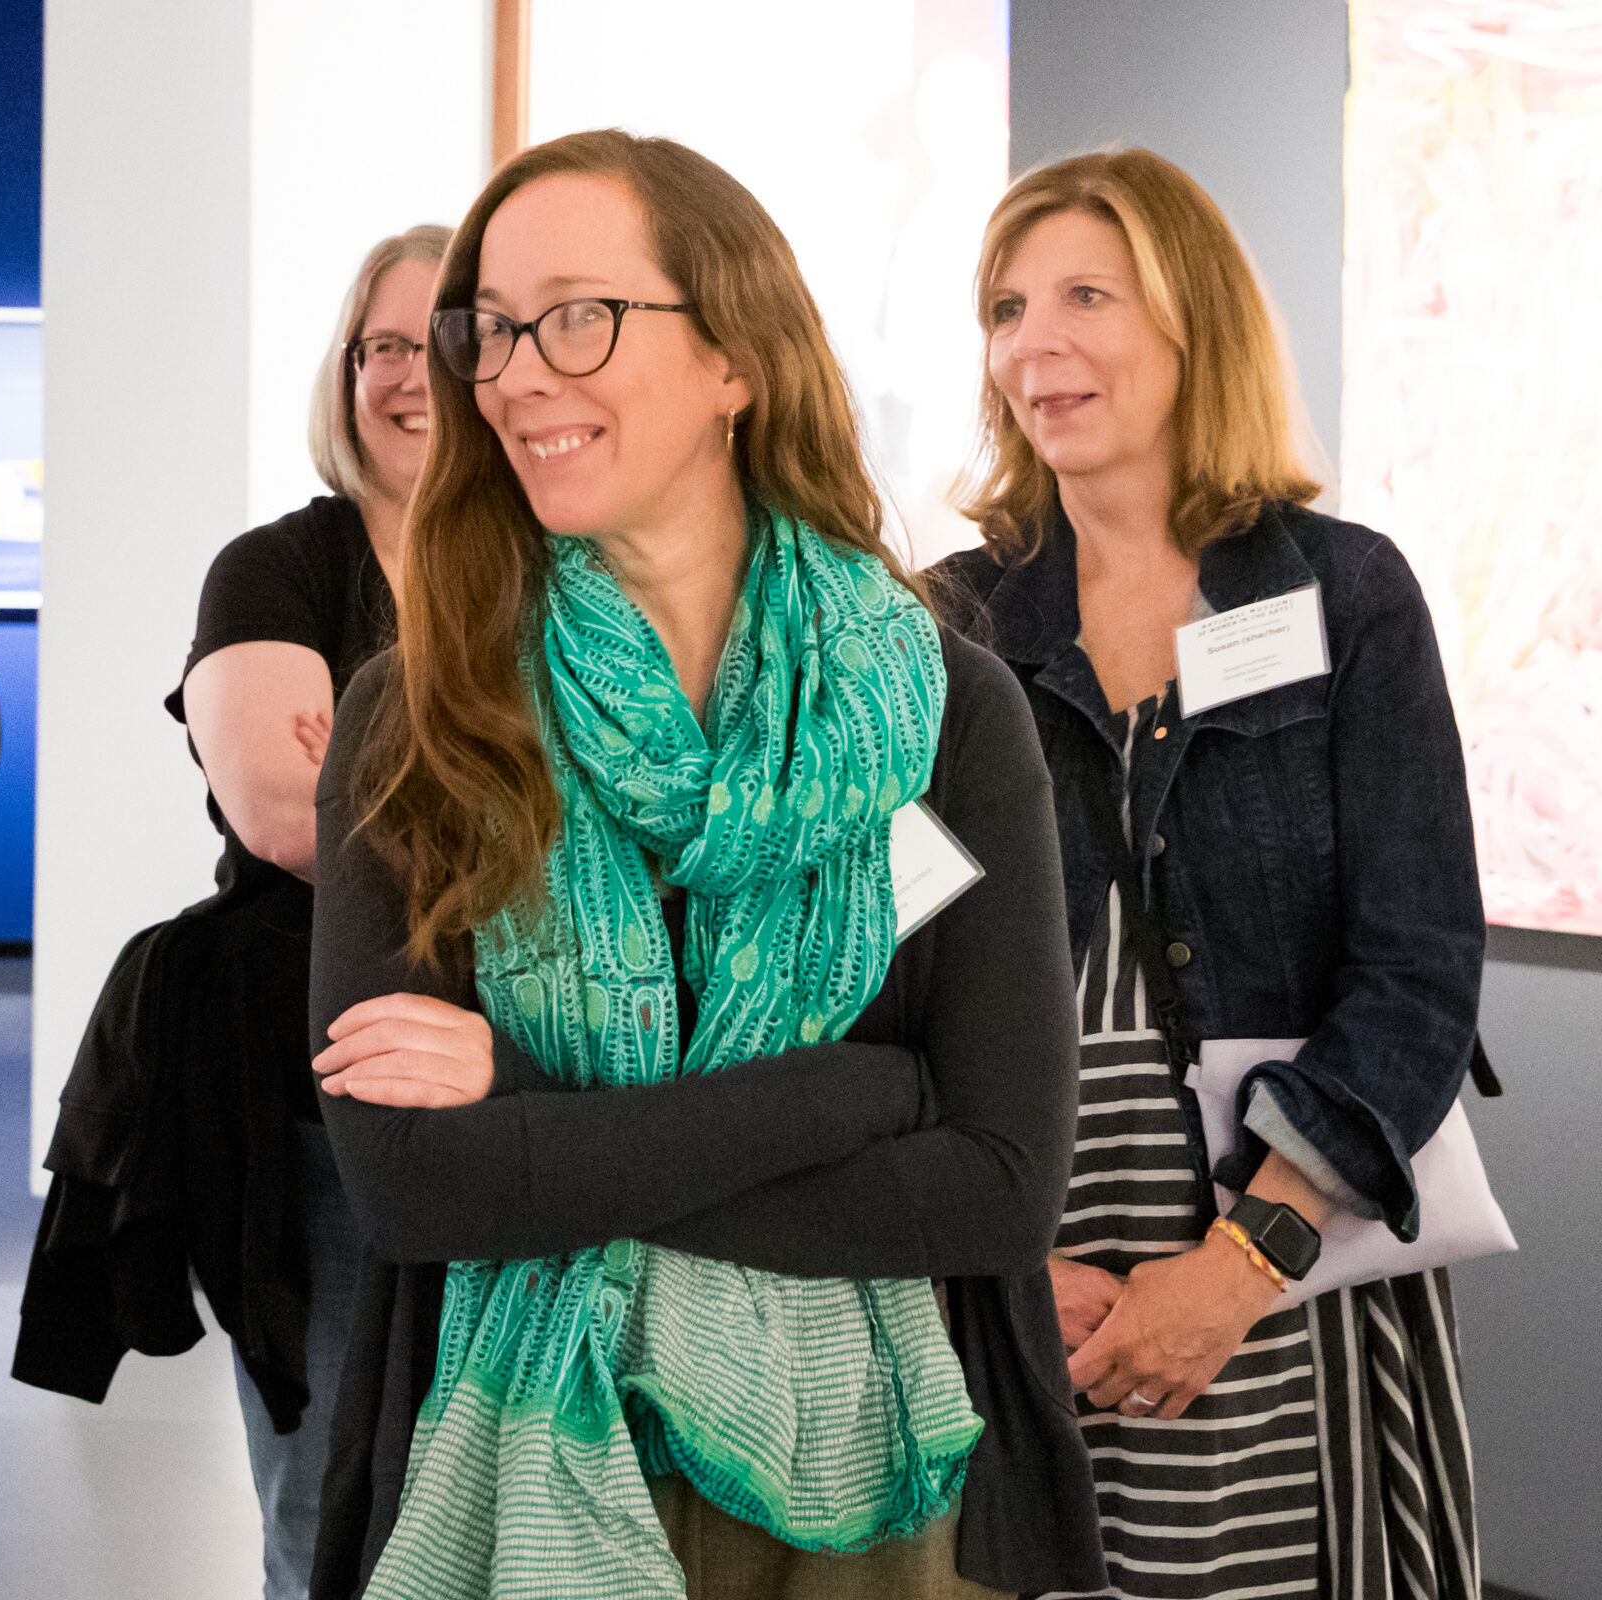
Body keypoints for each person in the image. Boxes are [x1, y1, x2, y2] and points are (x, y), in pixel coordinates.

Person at [303, 130, 1099, 1599]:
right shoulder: (420, 711)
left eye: (580, 316)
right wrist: (846, 1095)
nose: (514, 372)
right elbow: (411, 1188)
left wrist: (532, 1114)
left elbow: (994, 1188)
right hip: (512, 1470)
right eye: (492, 326)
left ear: (737, 357)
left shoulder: (941, 706)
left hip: (864, 1498)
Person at [927, 147, 1486, 1600]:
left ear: (1194, 323)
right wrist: (992, 1261)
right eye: (1004, 308)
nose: (1032, 344)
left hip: (1290, 1263)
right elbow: (885, 955)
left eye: (1085, 296)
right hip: (1030, 1267)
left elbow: (1419, 965)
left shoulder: (1343, 593)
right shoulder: (947, 622)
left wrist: (1243, 1264)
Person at [185, 226, 445, 1600]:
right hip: (317, 1104)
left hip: (552, 1101)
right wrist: (538, 799)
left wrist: (367, 750)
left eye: (444, 341)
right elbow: (285, 814)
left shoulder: (572, 573)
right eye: (380, 347)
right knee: (335, 1515)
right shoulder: (275, 569)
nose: (410, 376)